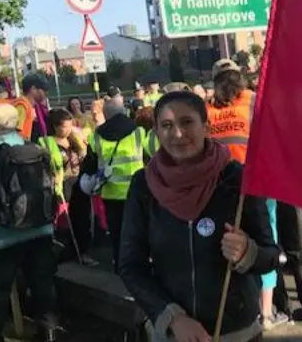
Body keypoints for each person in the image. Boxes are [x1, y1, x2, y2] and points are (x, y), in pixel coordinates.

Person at [119, 91, 280, 342]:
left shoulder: (236, 178)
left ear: (206, 126)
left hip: (237, 333)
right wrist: (172, 317)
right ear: (157, 132)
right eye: (167, 125)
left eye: (187, 122)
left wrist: (248, 252)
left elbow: (270, 256)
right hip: (173, 334)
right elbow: (130, 264)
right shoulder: (144, 184)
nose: (178, 134)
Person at [207, 59, 289, 329]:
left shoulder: (207, 109)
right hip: (258, 184)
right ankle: (266, 313)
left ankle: (247, 306)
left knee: (231, 244)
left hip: (221, 188)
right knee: (266, 241)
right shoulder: (254, 100)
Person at [0, 103, 58, 342]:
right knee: (42, 284)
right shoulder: (35, 149)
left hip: (3, 235)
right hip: (41, 230)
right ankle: (48, 329)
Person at [80, 95, 145, 271]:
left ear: (106, 115)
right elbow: (148, 158)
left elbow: (90, 165)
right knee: (137, 230)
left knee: (116, 232)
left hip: (111, 192)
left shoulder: (96, 136)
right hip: (136, 191)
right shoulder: (138, 132)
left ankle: (119, 263)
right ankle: (139, 265)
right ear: (123, 111)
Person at [39, 108, 97, 266]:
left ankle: (83, 251)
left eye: (70, 125)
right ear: (55, 126)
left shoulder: (76, 139)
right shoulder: (46, 143)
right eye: (64, 126)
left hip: (79, 183)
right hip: (61, 185)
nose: (68, 129)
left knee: (83, 219)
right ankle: (65, 251)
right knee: (63, 222)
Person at [22, 73, 51, 143]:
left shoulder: (38, 108)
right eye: (44, 90)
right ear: (33, 89)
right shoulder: (22, 107)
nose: (47, 93)